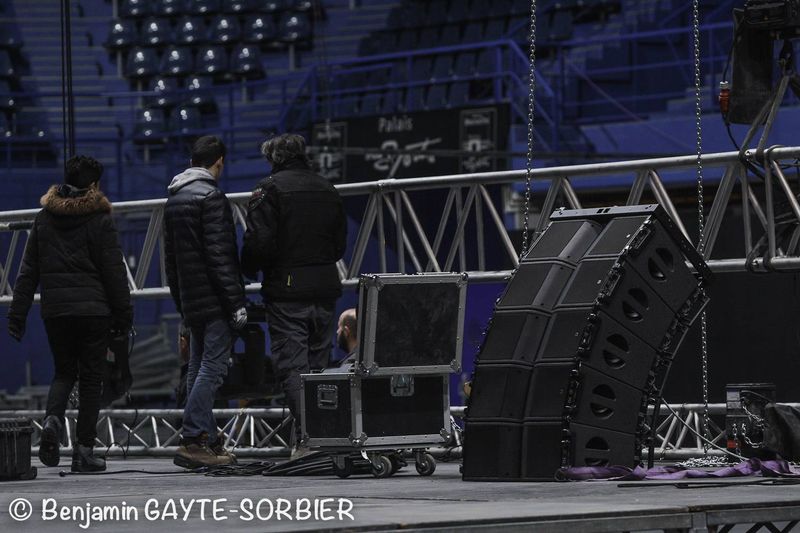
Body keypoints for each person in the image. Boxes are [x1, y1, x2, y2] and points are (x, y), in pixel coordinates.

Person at [7, 155, 132, 472]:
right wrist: (124, 315)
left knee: (64, 372)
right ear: (93, 185)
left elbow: (27, 271)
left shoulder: (43, 218)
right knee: (91, 380)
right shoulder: (100, 219)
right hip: (93, 312)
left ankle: (52, 421)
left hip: (56, 312)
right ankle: (84, 452)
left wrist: (17, 315)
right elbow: (114, 273)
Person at [241, 133, 347, 452]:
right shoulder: (327, 188)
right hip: (326, 286)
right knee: (319, 368)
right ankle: (326, 433)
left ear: (273, 158)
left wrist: (248, 268)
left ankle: (309, 438)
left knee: (294, 368)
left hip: (288, 291)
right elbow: (339, 245)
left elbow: (259, 243)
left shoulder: (269, 189)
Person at [163, 135, 248, 469]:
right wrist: (235, 303)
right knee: (212, 368)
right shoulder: (211, 197)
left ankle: (206, 440)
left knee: (198, 368)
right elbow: (221, 257)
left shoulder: (174, 199)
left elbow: (170, 262)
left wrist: (181, 302)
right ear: (220, 162)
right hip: (214, 300)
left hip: (191, 300)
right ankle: (194, 436)